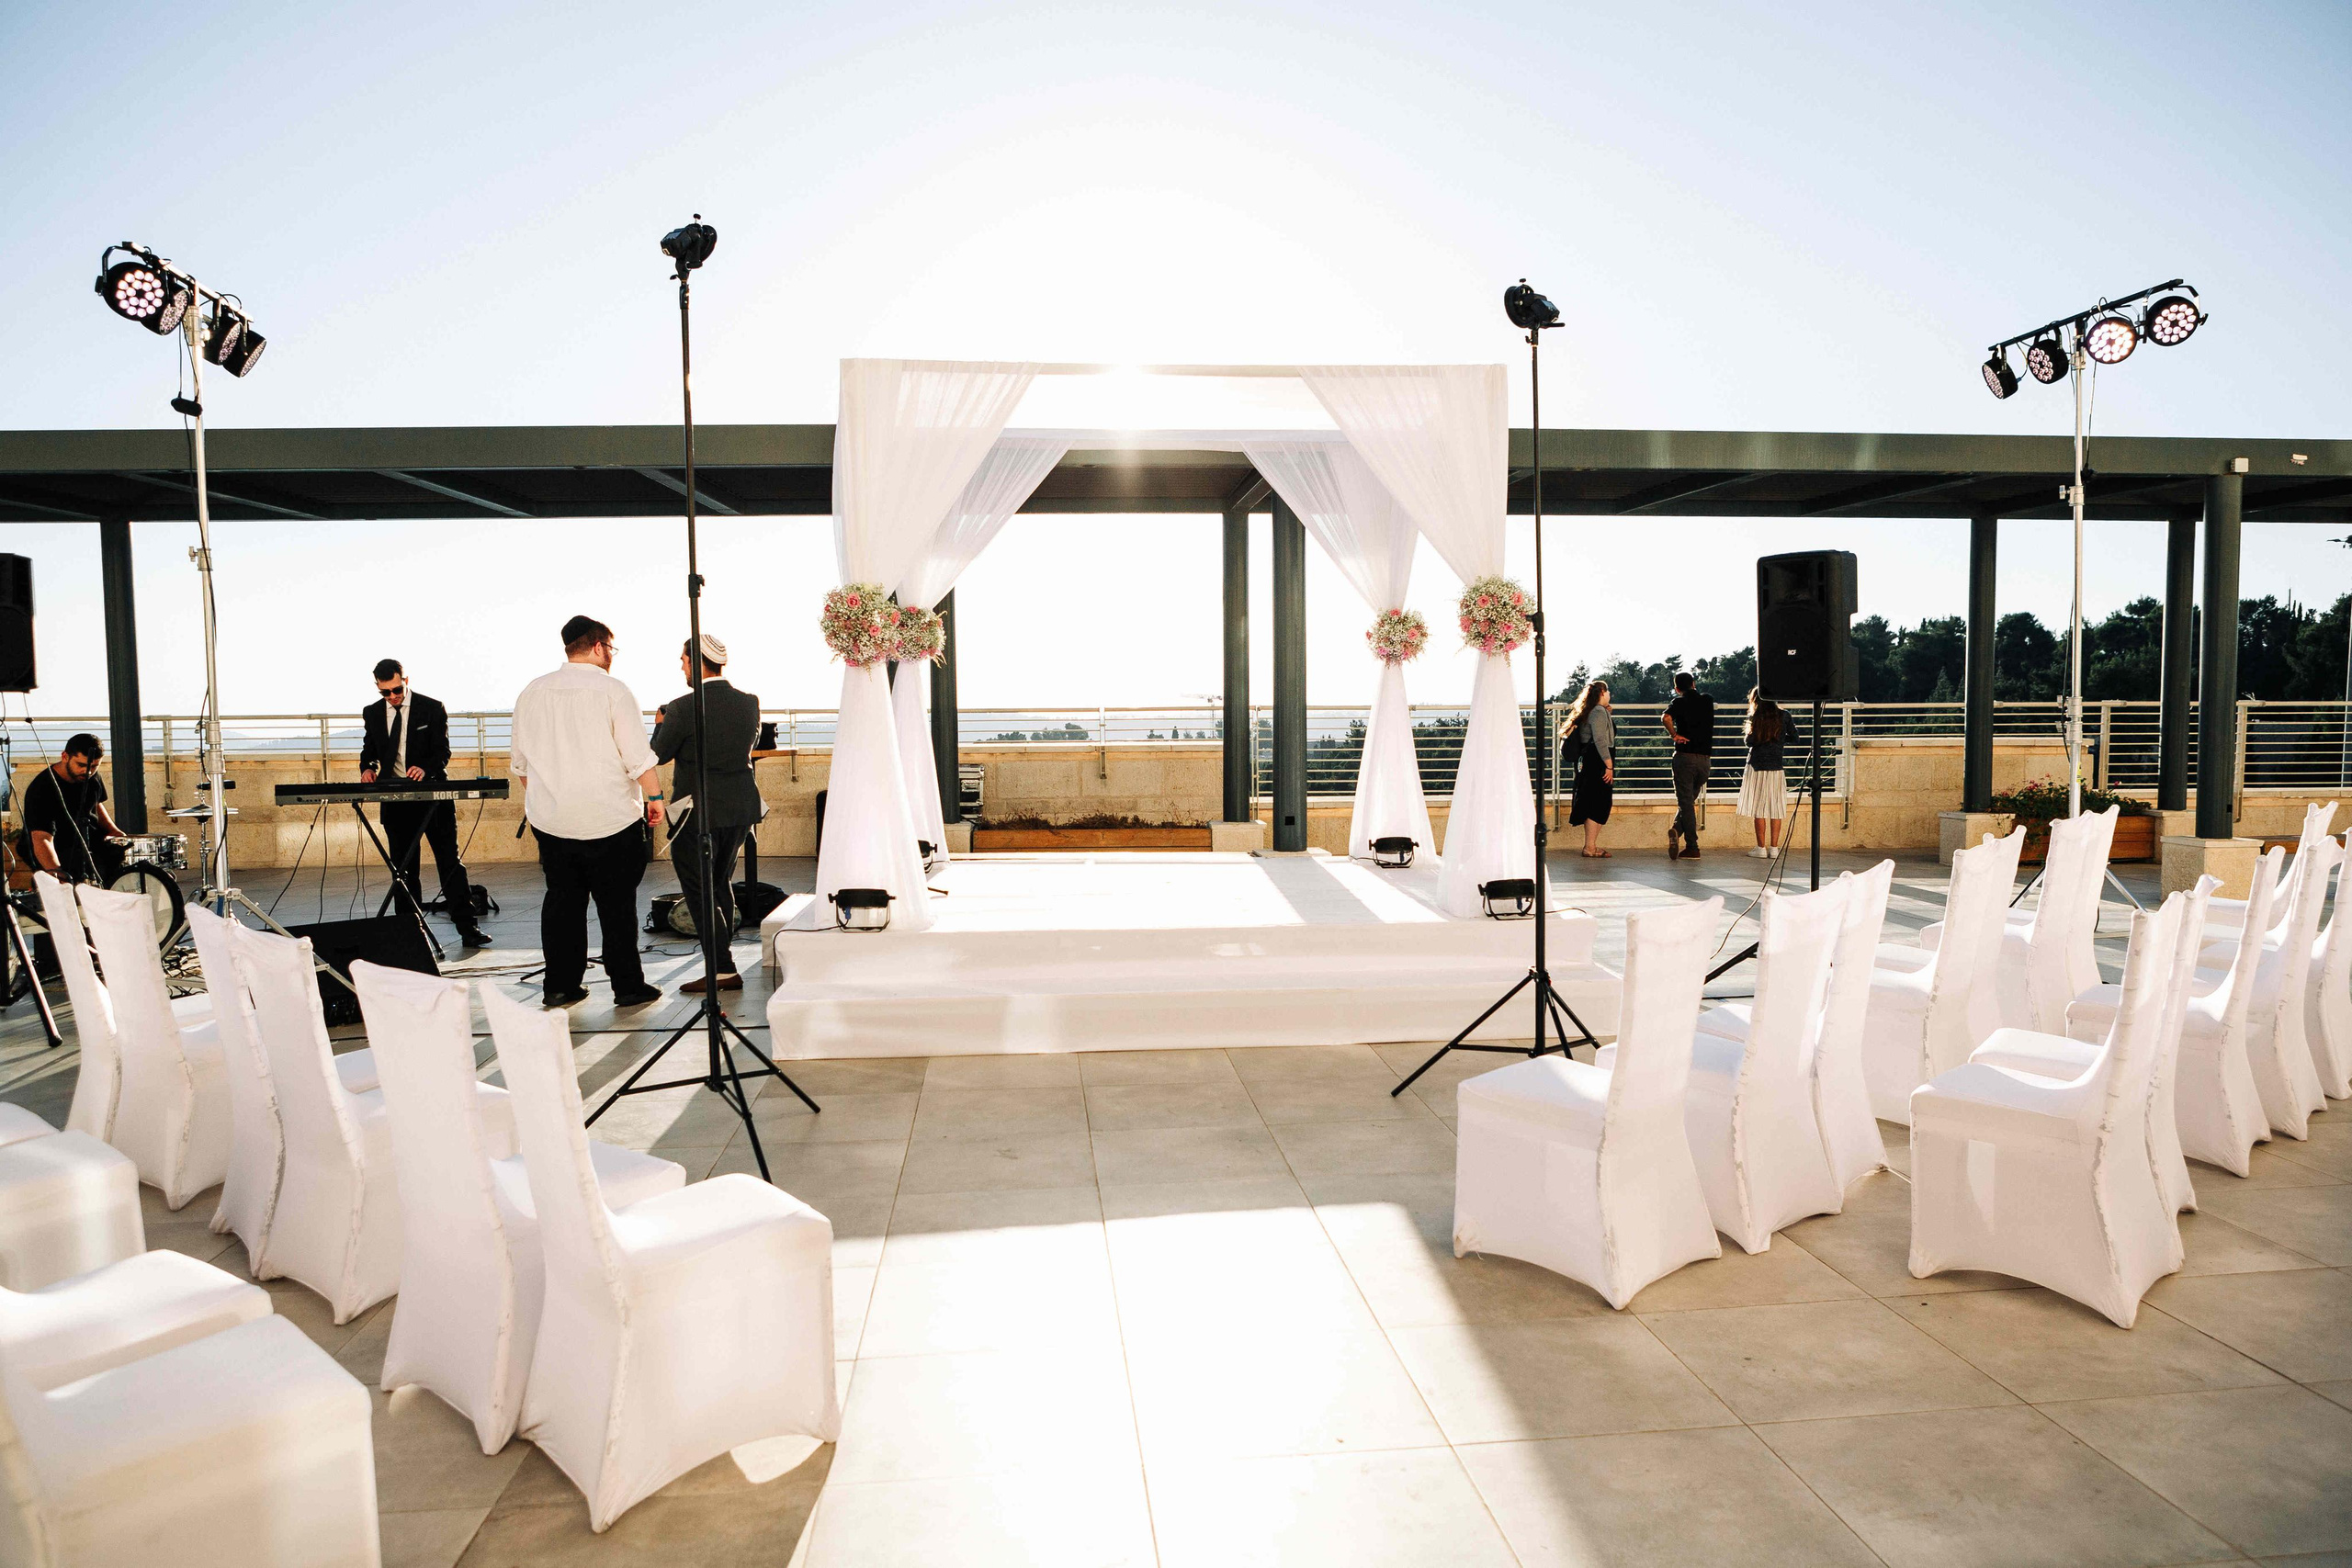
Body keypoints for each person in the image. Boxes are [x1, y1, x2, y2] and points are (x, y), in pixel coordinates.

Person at [509, 615, 665, 1010]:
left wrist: (549, 803)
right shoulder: (614, 691)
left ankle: (560, 986)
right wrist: (655, 798)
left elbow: (522, 767)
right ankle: (627, 986)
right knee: (617, 908)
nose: (612, 656)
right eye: (611, 649)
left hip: (553, 822)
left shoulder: (532, 692)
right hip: (611, 819)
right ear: (598, 647)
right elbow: (636, 756)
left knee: (562, 905)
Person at [650, 633, 761, 995]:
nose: (681, 666)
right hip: (741, 808)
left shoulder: (681, 706)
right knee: (720, 883)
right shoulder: (749, 703)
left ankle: (723, 969)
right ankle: (722, 958)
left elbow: (658, 754)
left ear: (695, 662)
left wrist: (659, 724)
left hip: (697, 813)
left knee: (698, 890)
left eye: (683, 659)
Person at [360, 659, 490, 948]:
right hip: (396, 801)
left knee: (449, 864)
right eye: (385, 693)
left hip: (432, 798)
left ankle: (468, 929)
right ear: (377, 688)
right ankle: (409, 934)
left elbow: (442, 752)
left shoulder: (431, 707)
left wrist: (425, 769)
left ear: (406, 680)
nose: (392, 697)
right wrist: (367, 767)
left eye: (396, 689)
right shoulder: (372, 713)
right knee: (404, 870)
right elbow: (370, 748)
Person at [18, 733, 125, 885]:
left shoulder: (91, 776)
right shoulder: (42, 788)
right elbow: (42, 839)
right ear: (65, 756)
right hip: (59, 848)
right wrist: (58, 874)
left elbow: (96, 804)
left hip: (88, 842)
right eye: (81, 765)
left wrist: (115, 832)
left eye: (94, 766)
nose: (87, 771)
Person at [1738, 689, 1801, 858]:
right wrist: (1779, 740)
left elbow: (1749, 741)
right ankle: (1774, 848)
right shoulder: (1784, 715)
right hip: (1776, 766)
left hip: (1757, 765)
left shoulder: (1756, 716)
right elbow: (1795, 738)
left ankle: (1761, 848)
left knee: (1759, 807)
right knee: (1776, 807)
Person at [1661, 670, 1715, 862]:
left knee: (1686, 803)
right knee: (1688, 801)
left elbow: (1666, 718)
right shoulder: (1708, 700)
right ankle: (1676, 829)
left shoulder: (1679, 702)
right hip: (1705, 760)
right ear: (1694, 683)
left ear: (1677, 689)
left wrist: (1674, 735)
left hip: (1685, 758)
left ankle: (1692, 847)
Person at [1561, 679, 1615, 858]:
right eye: (1607, 692)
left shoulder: (1593, 711)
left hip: (1589, 761)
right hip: (1597, 762)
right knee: (1598, 803)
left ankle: (1591, 845)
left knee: (1596, 801)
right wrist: (1609, 766)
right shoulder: (1598, 712)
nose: (1609, 695)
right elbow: (1600, 740)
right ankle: (1590, 847)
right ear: (1602, 693)